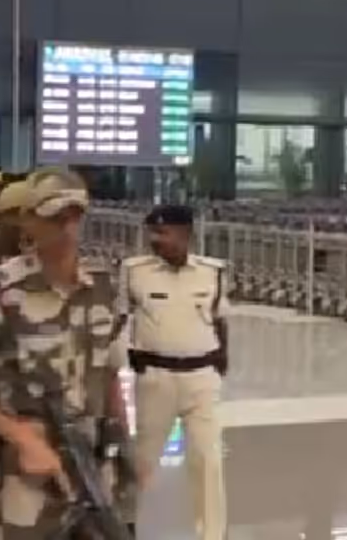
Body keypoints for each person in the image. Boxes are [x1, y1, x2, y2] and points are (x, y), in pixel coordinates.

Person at [0, 170, 134, 540]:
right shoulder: (0, 292)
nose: (68, 228)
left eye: (75, 216)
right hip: (24, 477)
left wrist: (123, 441)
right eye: (56, 218)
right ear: (29, 221)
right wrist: (21, 437)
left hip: (90, 465)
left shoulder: (100, 287)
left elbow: (110, 372)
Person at [122, 205, 227, 540]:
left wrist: (221, 357)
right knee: (142, 460)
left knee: (208, 461)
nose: (155, 240)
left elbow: (219, 318)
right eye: (152, 232)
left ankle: (213, 533)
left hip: (201, 377)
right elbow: (118, 318)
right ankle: (124, 526)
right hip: (156, 377)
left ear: (185, 235)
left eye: (163, 233)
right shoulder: (135, 271)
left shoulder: (212, 272)